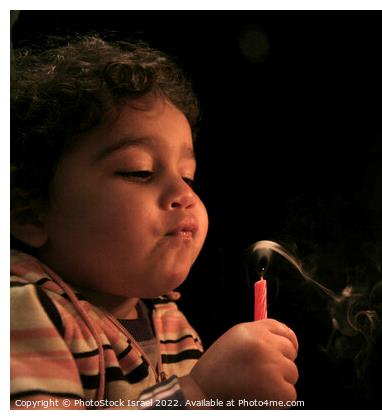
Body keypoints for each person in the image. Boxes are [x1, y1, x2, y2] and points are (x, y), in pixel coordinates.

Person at [10, 35, 299, 409]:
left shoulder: (169, 322)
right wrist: (200, 393)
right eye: (139, 171)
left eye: (188, 177)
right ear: (30, 211)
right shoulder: (26, 311)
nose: (185, 195)